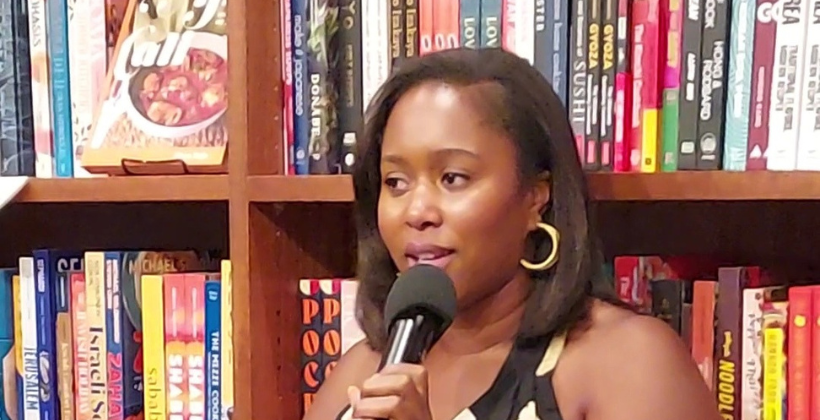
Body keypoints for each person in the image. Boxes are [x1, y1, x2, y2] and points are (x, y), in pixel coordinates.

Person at [304, 48, 720, 420]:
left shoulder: (625, 360)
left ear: (535, 197)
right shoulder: (364, 371)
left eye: (452, 178)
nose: (417, 212)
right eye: (395, 182)